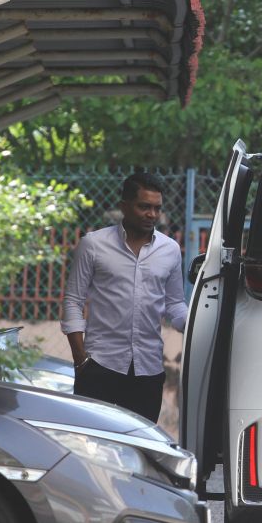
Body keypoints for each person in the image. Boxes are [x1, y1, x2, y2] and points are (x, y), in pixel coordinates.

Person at [61, 173, 188, 423]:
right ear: (124, 206)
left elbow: (174, 304)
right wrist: (80, 359)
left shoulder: (170, 249)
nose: (152, 214)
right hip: (99, 366)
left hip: (148, 370)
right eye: (144, 206)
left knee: (140, 442)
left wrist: (200, 325)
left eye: (157, 208)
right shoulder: (93, 245)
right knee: (93, 438)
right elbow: (73, 300)